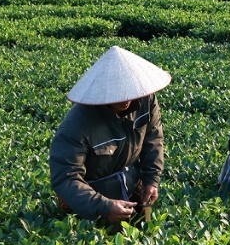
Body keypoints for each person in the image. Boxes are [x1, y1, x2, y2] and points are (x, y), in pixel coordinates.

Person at [49, 45, 169, 224]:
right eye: (117, 95)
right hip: (93, 201)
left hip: (133, 186)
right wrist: (103, 207)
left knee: (146, 231)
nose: (126, 100)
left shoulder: (146, 99)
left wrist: (152, 180)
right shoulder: (77, 125)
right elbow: (66, 177)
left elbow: (153, 138)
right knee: (106, 242)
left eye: (130, 91)